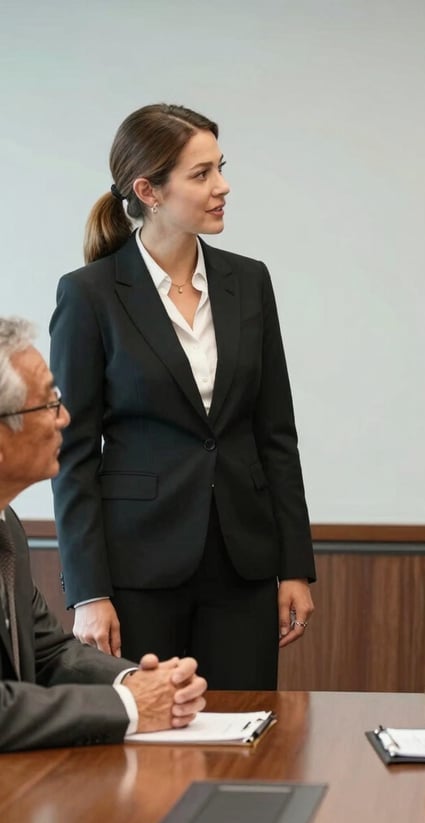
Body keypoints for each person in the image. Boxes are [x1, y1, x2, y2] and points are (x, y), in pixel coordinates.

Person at [49, 104, 315, 690]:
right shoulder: (90, 294)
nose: (222, 187)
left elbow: (276, 434)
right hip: (134, 572)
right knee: (142, 753)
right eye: (201, 174)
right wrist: (88, 590)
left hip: (243, 565)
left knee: (246, 740)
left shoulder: (250, 281)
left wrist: (294, 567)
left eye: (220, 168)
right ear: (148, 190)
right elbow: (70, 454)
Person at [0, 317, 207, 751]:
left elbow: (50, 651)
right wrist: (130, 707)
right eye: (48, 404)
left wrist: (139, 680)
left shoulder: (8, 527)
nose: (66, 418)